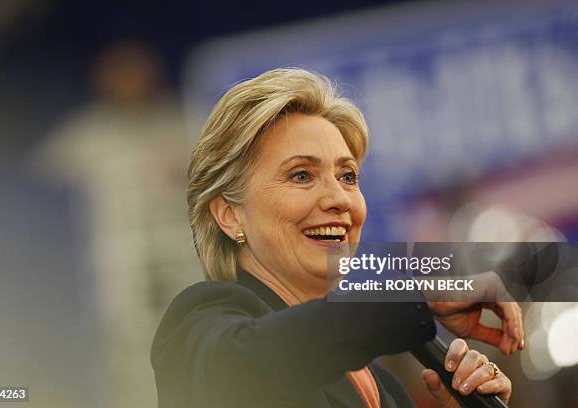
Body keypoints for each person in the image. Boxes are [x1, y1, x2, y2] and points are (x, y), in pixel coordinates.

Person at [151, 68, 523, 407]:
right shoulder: (200, 323)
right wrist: (415, 298)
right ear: (229, 214)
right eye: (301, 175)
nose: (339, 199)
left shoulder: (385, 387)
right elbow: (252, 365)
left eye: (347, 176)